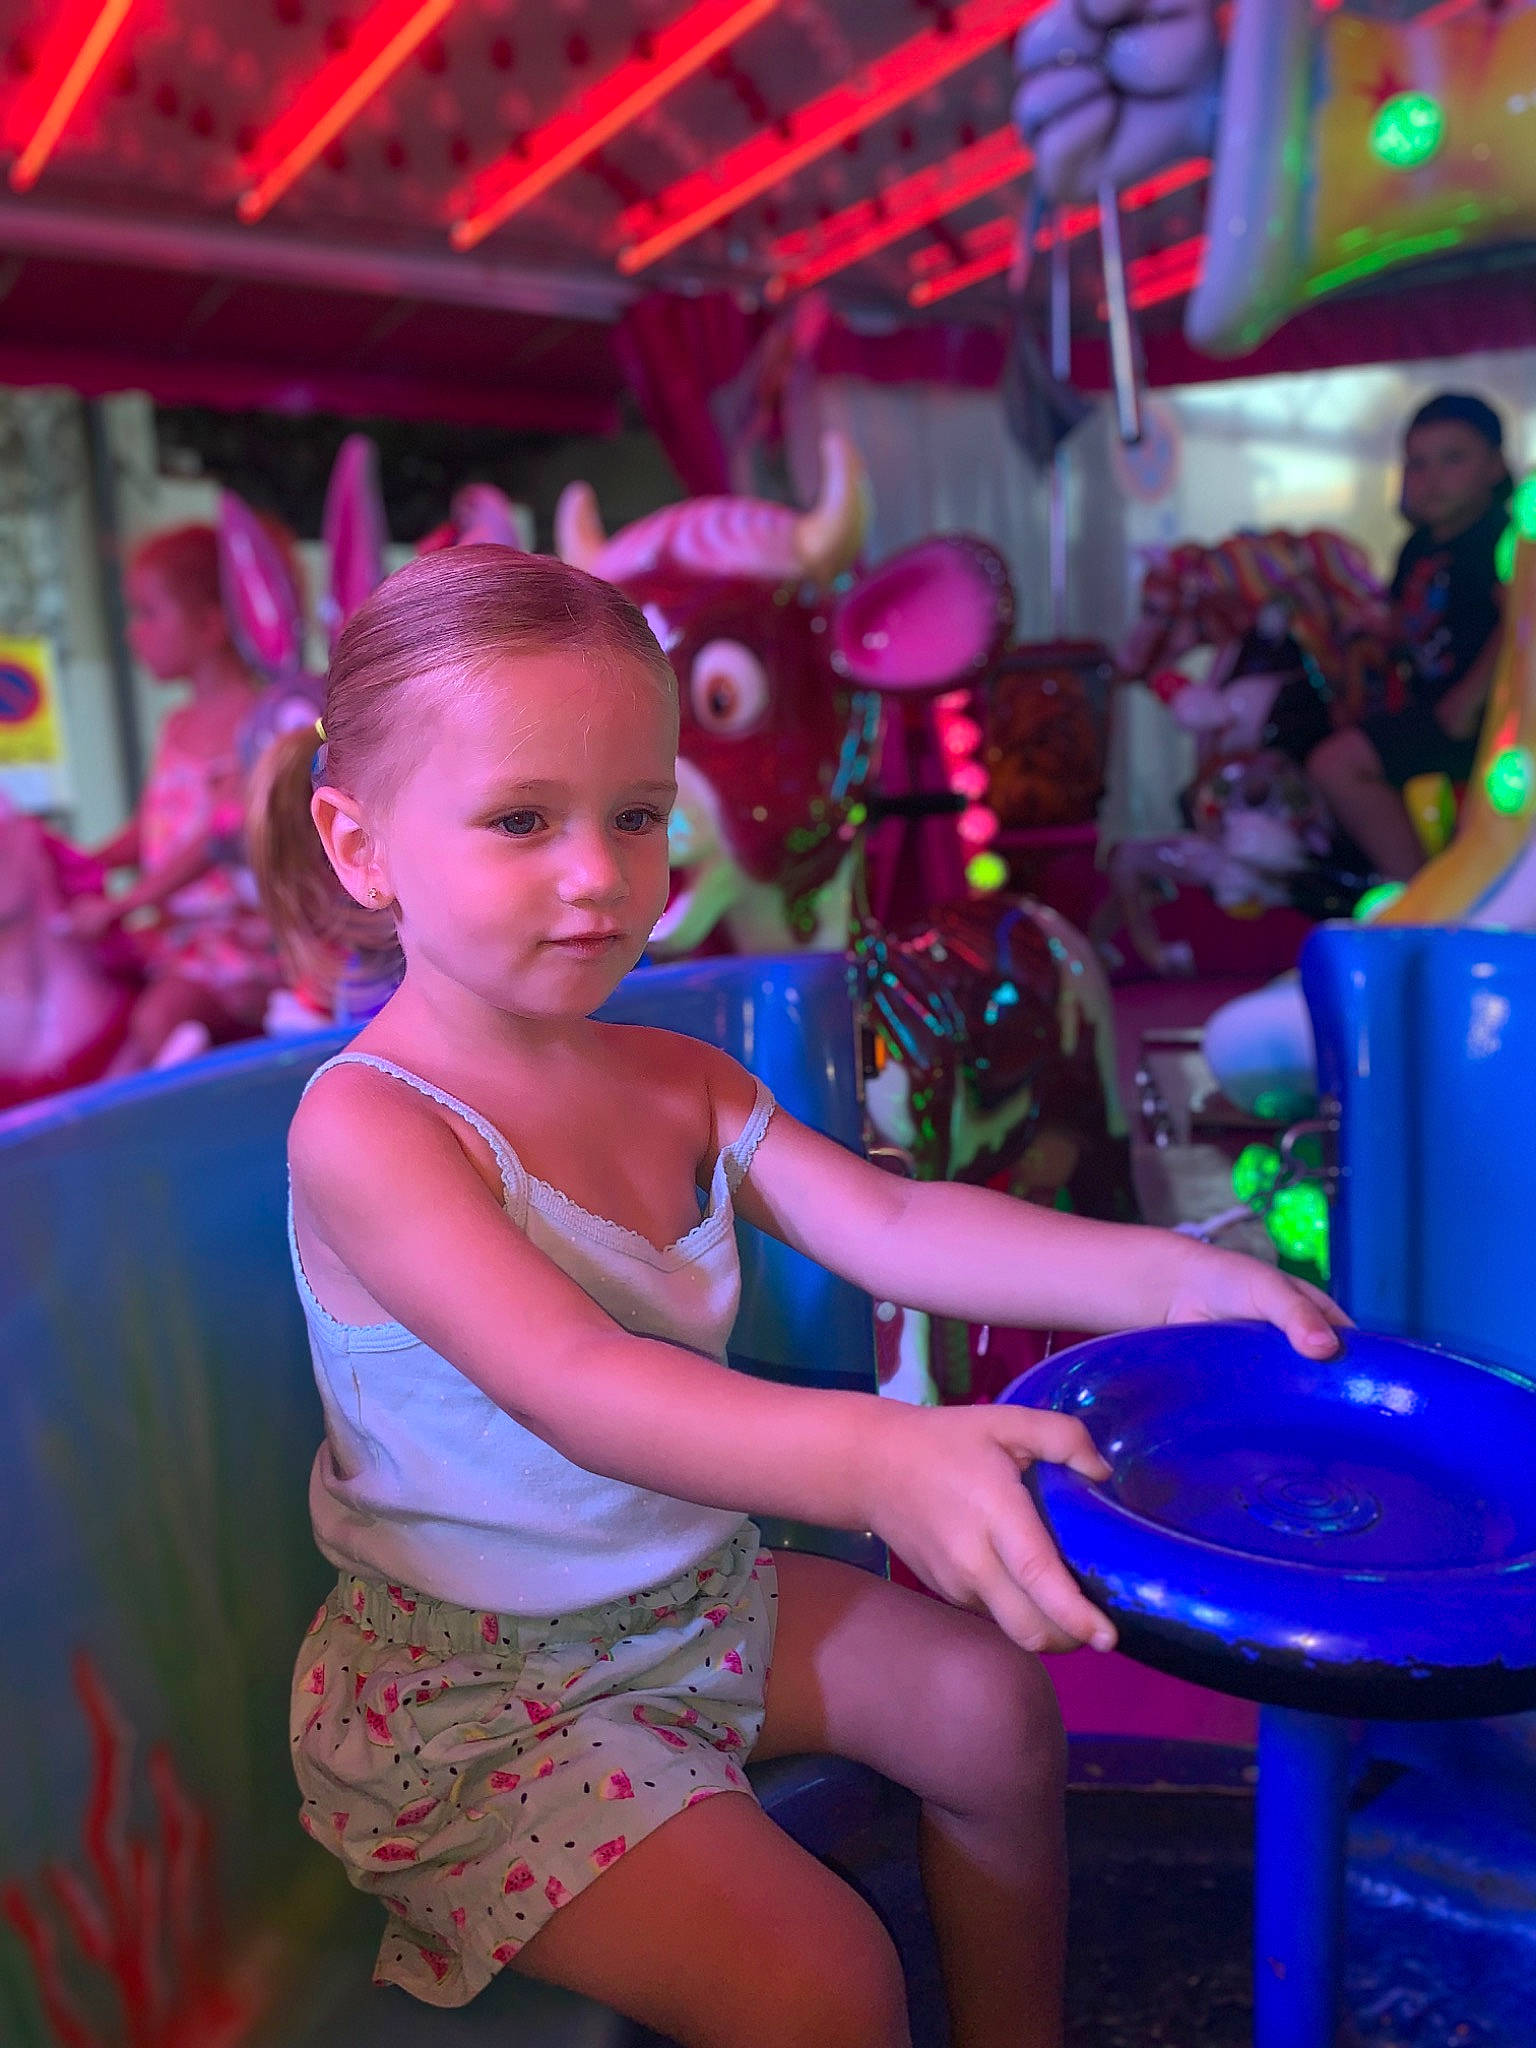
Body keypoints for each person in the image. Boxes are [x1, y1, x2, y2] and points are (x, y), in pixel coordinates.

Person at [280, 545, 1345, 2048]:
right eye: (523, 820)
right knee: (825, 1981)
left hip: (699, 1604)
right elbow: (577, 1384)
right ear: (362, 843)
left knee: (992, 1711)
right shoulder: (371, 1126)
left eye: (636, 815)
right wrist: (879, 1455)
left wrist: (1166, 1272)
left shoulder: (676, 1078)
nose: (600, 875)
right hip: (487, 1701)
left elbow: (899, 1222)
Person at [67, 525, 282, 1071]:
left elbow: (216, 839)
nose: (133, 633)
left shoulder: (259, 723)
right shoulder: (176, 724)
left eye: (147, 613)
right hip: (180, 934)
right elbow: (149, 832)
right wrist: (77, 865)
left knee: (158, 1018)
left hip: (243, 935)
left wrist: (125, 903)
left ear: (209, 624)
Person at [1309, 392, 1512, 880]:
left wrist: (1470, 696)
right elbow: (1412, 620)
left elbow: (1520, 623)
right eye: (1417, 464)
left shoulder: (1499, 540)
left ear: (1495, 466)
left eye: (1453, 459)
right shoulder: (1418, 547)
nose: (1431, 478)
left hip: (1484, 720)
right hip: (1430, 706)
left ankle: (1418, 891)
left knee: (1336, 764)